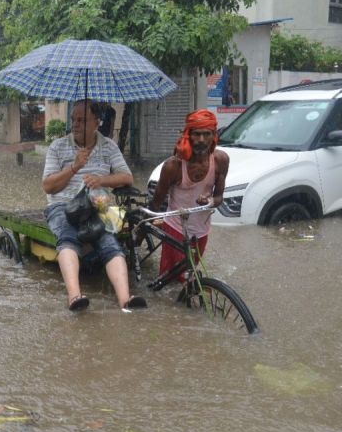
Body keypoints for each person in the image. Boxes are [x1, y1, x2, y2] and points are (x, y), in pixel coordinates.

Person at [42, 99, 147, 312]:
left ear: (96, 122)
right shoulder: (58, 146)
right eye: (73, 119)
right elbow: (48, 186)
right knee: (67, 237)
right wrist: (74, 167)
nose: (75, 124)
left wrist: (102, 181)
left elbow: (127, 177)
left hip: (97, 205)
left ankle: (125, 300)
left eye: (82, 120)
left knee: (109, 241)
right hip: (63, 205)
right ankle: (75, 296)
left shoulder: (108, 146)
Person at [149, 109, 229, 282]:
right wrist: (142, 231)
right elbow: (156, 203)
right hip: (175, 226)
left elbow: (219, 198)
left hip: (201, 229)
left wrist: (209, 201)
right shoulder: (174, 166)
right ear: (188, 135)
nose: (201, 140)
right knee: (171, 279)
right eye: (197, 134)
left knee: (190, 272)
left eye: (206, 134)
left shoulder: (221, 160)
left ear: (214, 135)